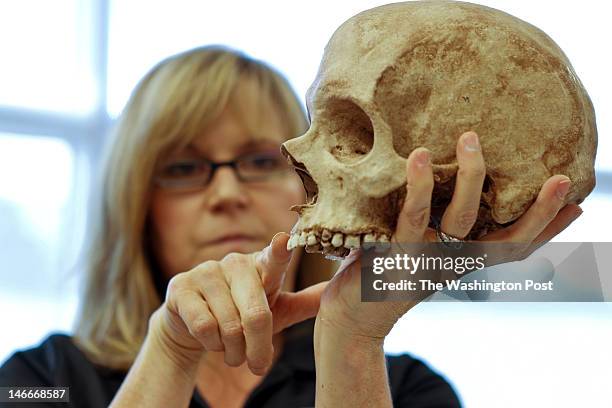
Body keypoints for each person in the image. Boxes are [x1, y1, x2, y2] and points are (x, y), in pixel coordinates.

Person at [0, 45, 582, 408]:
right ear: (135, 203)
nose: (225, 194)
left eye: (258, 161)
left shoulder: (407, 391)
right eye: (183, 167)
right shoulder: (37, 380)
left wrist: (352, 338)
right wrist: (171, 352)